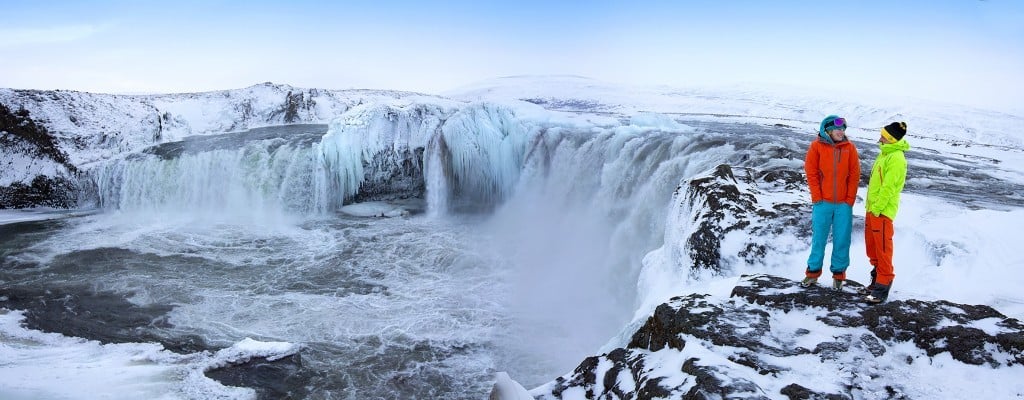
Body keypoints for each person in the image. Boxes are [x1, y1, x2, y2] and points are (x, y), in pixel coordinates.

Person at [801, 115, 860, 291]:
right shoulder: (816, 147)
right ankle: (812, 274)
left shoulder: (850, 148)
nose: (841, 132)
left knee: (842, 240)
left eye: (843, 129)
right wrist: (817, 198)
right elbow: (811, 172)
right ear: (826, 130)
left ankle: (839, 276)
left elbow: (854, 175)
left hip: (843, 205)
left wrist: (849, 200)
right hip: (823, 203)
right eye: (837, 129)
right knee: (818, 239)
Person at [860, 121, 909, 304]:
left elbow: (889, 188)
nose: (879, 138)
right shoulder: (884, 154)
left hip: (881, 212)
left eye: (883, 136)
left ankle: (882, 288)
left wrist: (878, 209)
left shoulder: (896, 158)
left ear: (890, 139)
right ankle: (875, 281)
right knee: (872, 248)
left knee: (882, 250)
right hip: (872, 209)